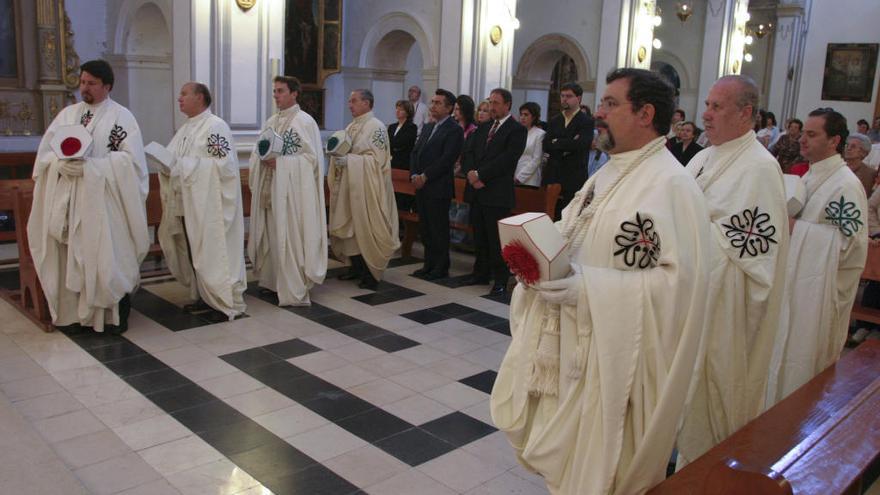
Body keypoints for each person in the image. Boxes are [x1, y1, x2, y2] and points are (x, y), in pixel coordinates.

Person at [491, 68, 711, 495]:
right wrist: (537, 253)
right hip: (577, 344)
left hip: (619, 360)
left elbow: (681, 288)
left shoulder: (673, 184)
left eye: (611, 104)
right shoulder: (609, 172)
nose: (600, 113)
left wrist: (588, 289)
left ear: (645, 113)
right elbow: (575, 230)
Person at [676, 75, 789, 467]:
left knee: (710, 398)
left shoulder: (760, 168)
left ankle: (705, 470)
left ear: (746, 113)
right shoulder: (702, 157)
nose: (705, 114)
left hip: (723, 304)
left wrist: (687, 234)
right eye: (706, 104)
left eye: (716, 107)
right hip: (685, 294)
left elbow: (755, 252)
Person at [28, 59, 149, 334]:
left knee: (108, 260)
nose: (85, 88)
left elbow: (132, 164)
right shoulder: (68, 116)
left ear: (107, 86)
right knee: (76, 258)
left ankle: (112, 316)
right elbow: (45, 155)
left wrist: (92, 167)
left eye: (92, 83)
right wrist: (61, 165)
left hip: (106, 205)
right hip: (71, 203)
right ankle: (78, 315)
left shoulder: (122, 118)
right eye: (82, 82)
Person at [766, 108, 868, 405]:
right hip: (793, 286)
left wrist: (798, 229)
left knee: (803, 376)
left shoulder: (845, 186)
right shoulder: (810, 176)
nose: (802, 140)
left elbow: (848, 246)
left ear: (834, 140)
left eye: (812, 135)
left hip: (819, 298)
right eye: (803, 133)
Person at [159, 82, 247, 321]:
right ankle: (203, 296)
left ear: (199, 98)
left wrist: (184, 167)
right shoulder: (186, 129)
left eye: (184, 94)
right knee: (192, 250)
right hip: (190, 203)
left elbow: (224, 166)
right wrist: (166, 166)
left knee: (211, 251)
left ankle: (221, 300)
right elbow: (172, 159)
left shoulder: (215, 127)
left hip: (210, 207)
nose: (179, 99)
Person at [247, 75, 326, 307]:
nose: (276, 96)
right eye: (274, 91)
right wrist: (261, 159)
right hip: (271, 189)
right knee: (273, 235)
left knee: (290, 237)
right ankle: (273, 283)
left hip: (294, 194)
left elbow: (312, 159)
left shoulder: (304, 122)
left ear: (294, 93)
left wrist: (282, 164)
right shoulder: (272, 121)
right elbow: (258, 150)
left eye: (280, 91)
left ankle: (293, 286)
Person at [328, 89, 400, 290]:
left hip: (370, 189)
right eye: (349, 101)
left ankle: (371, 272)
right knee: (353, 229)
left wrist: (349, 161)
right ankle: (356, 267)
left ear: (367, 103)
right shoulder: (352, 126)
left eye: (354, 101)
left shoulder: (376, 127)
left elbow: (377, 162)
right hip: (352, 186)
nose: (349, 105)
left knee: (366, 228)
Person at [462, 88, 527, 296]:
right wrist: (471, 173)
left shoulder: (516, 130)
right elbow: (469, 151)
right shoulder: (484, 127)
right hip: (477, 190)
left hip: (497, 192)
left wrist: (481, 175)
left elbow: (507, 159)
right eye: (490, 102)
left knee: (496, 238)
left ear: (507, 104)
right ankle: (480, 272)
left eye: (496, 103)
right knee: (479, 234)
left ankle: (500, 279)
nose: (492, 107)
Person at [409, 89, 464, 280]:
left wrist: (425, 176)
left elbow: (447, 159)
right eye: (432, 102)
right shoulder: (428, 127)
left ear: (449, 108)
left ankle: (440, 267)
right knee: (425, 228)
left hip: (438, 187)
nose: (433, 106)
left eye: (438, 103)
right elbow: (415, 152)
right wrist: (414, 174)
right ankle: (428, 264)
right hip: (421, 186)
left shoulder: (454, 129)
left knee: (438, 228)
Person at [542, 82, 594, 218]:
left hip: (574, 176)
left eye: (569, 96)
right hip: (554, 174)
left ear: (579, 98)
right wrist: (567, 143)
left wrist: (557, 142)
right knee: (550, 218)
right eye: (562, 96)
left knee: (569, 218)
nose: (564, 99)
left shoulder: (585, 121)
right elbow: (546, 145)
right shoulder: (555, 120)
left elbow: (581, 145)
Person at [515, 102, 545, 187]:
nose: (522, 117)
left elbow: (537, 160)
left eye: (526, 115)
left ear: (534, 117)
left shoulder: (540, 134)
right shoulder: (517, 133)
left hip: (530, 179)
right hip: (513, 175)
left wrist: (520, 177)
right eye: (521, 114)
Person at [844, 133, 877, 197]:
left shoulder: (871, 174)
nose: (848, 148)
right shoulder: (837, 167)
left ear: (864, 153)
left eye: (853, 146)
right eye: (847, 145)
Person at [388, 100, 417, 170]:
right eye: (397, 109)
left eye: (401, 110)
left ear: (408, 112)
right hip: (390, 161)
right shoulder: (392, 126)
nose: (397, 111)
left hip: (403, 162)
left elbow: (400, 143)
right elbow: (386, 143)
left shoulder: (411, 127)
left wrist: (390, 144)